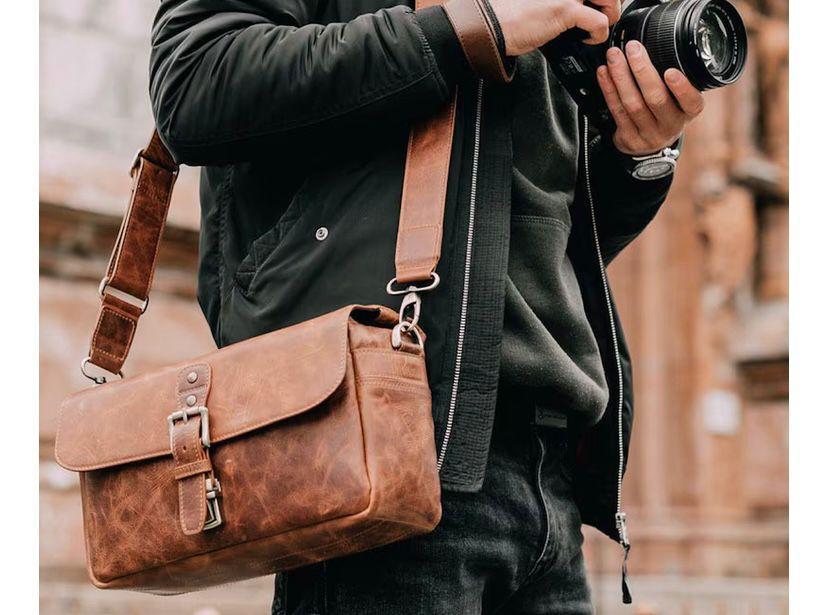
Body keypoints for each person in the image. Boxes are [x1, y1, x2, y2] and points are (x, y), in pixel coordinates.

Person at [149, 0, 705, 612]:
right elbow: (196, 77)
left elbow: (538, 239)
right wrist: (472, 27)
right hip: (391, 435)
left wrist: (639, 154)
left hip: (549, 468)